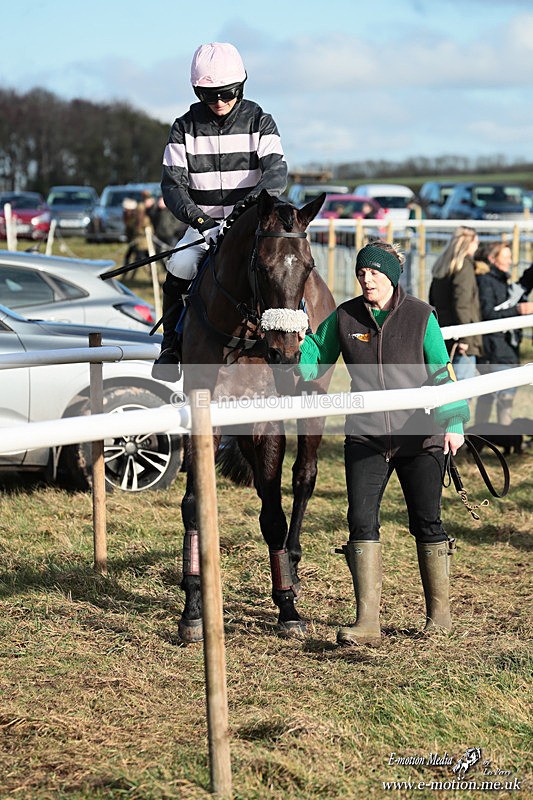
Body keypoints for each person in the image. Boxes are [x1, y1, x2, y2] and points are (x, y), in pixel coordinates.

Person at [299, 240, 470, 645]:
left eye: (374, 273)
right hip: (366, 434)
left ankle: (439, 618)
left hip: (419, 435)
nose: (366, 279)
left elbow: (441, 371)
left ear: (391, 277)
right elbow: (313, 358)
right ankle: (367, 622)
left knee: (426, 521)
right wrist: (291, 349)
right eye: (361, 273)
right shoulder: (345, 317)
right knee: (360, 520)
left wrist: (454, 422)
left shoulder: (420, 316)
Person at [152, 42, 288, 378]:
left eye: (227, 94)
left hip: (252, 224)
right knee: (181, 263)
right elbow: (172, 186)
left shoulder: (261, 121)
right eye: (208, 96)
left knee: (287, 266)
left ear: (240, 86)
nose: (219, 103)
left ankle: (305, 338)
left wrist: (245, 210)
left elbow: (275, 174)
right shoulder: (184, 127)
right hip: (205, 224)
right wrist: (199, 220)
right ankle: (170, 345)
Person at [475, 242, 533, 425]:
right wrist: (518, 310)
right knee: (496, 394)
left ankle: (498, 437)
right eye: (506, 257)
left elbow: (521, 288)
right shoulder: (486, 282)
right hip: (494, 347)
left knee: (502, 394)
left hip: (504, 346)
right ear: (492, 259)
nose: (510, 261)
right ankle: (487, 436)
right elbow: (488, 314)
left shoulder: (501, 281)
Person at [428, 226, 483, 381]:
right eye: (476, 242)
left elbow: (433, 300)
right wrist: (465, 337)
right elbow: (462, 304)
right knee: (462, 392)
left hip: (444, 333)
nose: (477, 246)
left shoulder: (442, 267)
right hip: (461, 339)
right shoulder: (464, 267)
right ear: (468, 243)